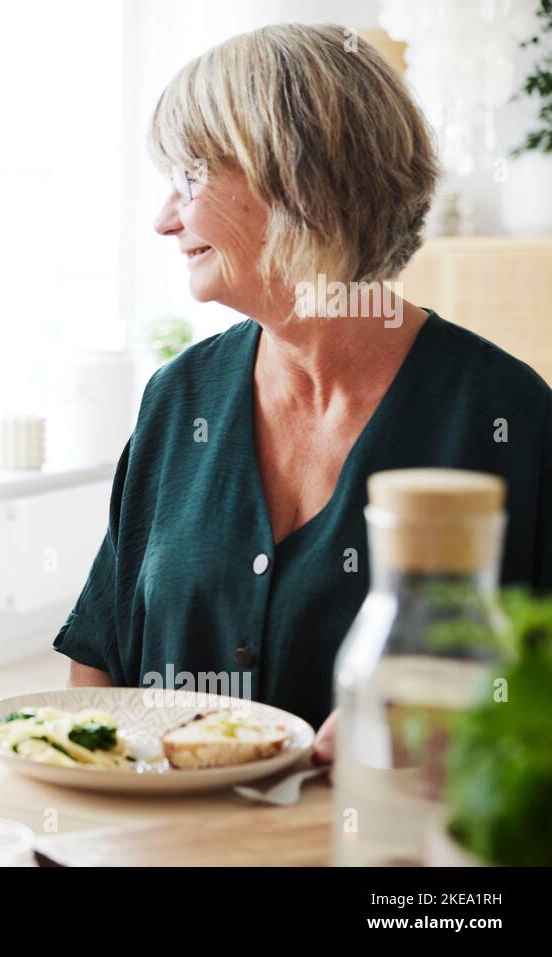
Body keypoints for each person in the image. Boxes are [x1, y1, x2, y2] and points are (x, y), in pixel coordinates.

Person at [53, 23, 552, 760]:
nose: (164, 219)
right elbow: (98, 656)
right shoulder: (178, 398)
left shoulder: (505, 415)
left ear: (296, 177)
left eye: (190, 176)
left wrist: (458, 719)